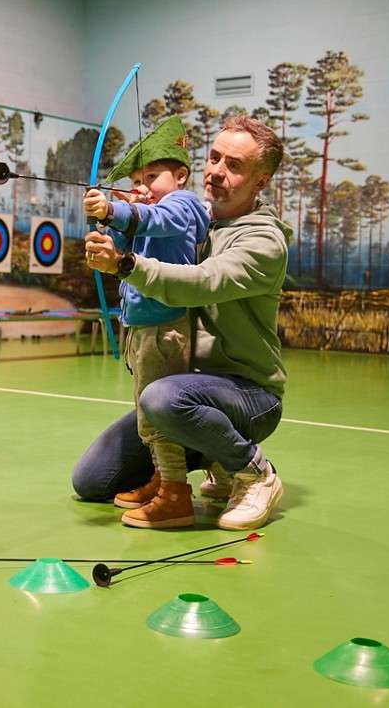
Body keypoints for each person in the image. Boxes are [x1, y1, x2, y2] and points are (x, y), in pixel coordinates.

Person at [77, 114, 291, 530]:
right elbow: (159, 224)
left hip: (246, 396)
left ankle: (253, 472)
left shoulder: (264, 241)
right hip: (185, 384)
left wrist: (124, 263)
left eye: (234, 165)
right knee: (92, 480)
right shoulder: (193, 218)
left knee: (160, 400)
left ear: (260, 181)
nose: (216, 172)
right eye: (214, 157)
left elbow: (200, 283)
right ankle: (207, 462)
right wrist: (118, 225)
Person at [81, 116, 210, 529]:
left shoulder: (183, 205)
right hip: (142, 329)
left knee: (156, 418)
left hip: (165, 329)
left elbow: (156, 220)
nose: (143, 186)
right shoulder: (144, 212)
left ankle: (175, 494)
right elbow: (124, 245)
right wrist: (106, 235)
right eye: (138, 179)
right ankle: (162, 479)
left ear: (181, 175)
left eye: (153, 176)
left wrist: (118, 208)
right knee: (146, 414)